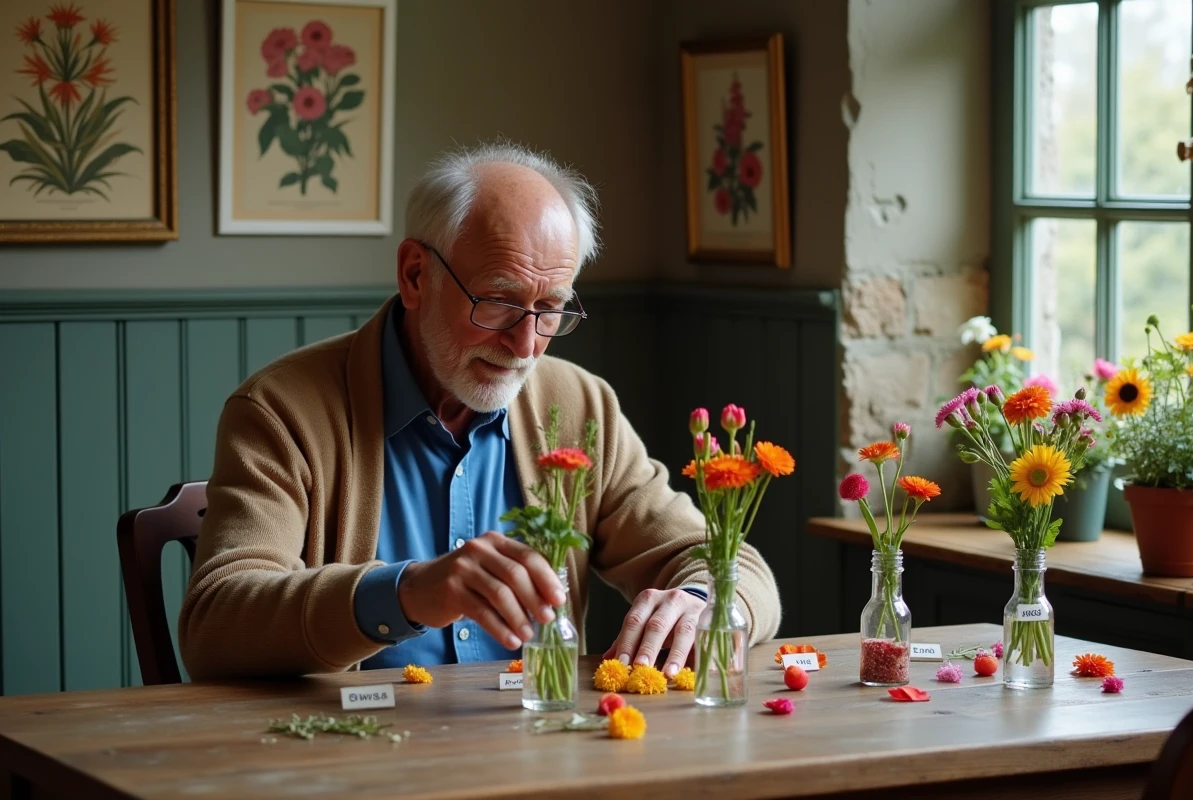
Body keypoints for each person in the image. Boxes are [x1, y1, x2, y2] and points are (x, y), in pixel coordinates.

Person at [179, 141, 781, 681]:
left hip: (543, 751)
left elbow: (723, 559)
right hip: (355, 756)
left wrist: (708, 600)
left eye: (551, 309)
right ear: (415, 275)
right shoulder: (283, 411)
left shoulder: (579, 406)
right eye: (497, 302)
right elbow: (218, 619)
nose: (526, 346)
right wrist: (407, 593)